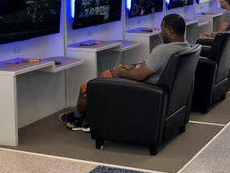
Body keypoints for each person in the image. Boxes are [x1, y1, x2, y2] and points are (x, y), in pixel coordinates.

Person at [60, 13, 189, 132]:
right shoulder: (185, 47)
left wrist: (119, 73)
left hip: (143, 89)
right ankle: (88, 114)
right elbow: (149, 67)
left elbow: (140, 75)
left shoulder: (163, 50)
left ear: (171, 31)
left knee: (87, 87)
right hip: (157, 88)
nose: (160, 33)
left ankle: (77, 119)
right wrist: (132, 66)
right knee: (109, 73)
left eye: (163, 29)